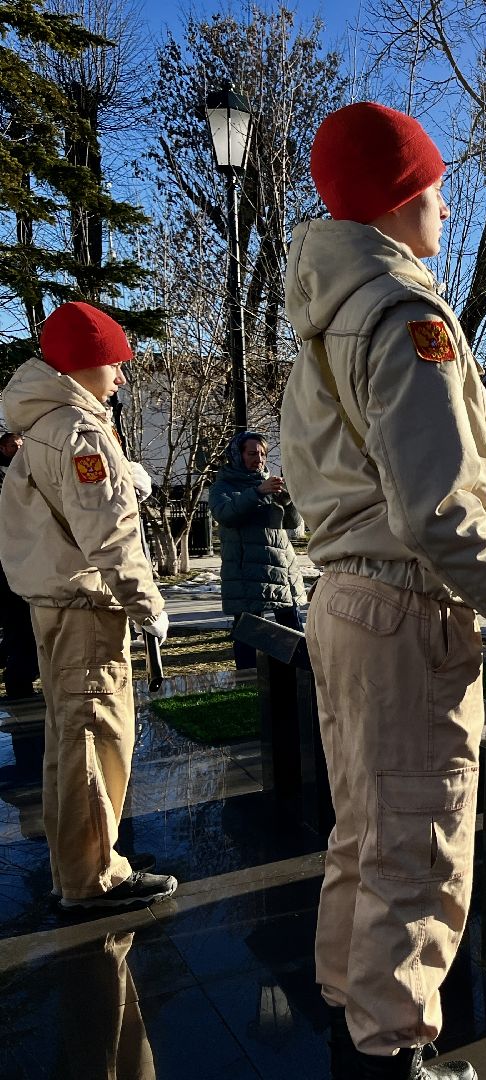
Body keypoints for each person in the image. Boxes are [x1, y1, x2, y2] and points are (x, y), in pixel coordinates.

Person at [282, 101, 486, 1079]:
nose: (445, 204)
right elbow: (439, 510)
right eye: (435, 186)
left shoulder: (329, 313)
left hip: (346, 598)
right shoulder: (406, 316)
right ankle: (392, 1049)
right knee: (421, 839)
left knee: (364, 824)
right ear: (403, 196)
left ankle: (347, 1011)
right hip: (407, 610)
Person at [0, 301, 176, 910]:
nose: (122, 375)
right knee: (94, 741)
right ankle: (93, 878)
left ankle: (84, 861)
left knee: (68, 739)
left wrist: (121, 472)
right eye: (114, 362)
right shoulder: (78, 430)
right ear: (83, 365)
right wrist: (146, 603)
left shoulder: (50, 424)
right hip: (84, 608)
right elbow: (111, 533)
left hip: (59, 603)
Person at [208, 431, 307, 669]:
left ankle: (302, 678)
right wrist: (258, 492)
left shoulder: (269, 482)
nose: (259, 459)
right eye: (252, 453)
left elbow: (293, 525)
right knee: (248, 631)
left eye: (262, 454)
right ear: (237, 455)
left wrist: (288, 501)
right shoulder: (223, 485)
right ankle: (248, 684)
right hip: (247, 572)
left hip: (281, 571)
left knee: (293, 630)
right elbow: (225, 514)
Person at [0, 431, 41, 699]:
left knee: (24, 626)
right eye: (16, 446)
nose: (21, 449)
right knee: (20, 625)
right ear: (4, 447)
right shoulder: (6, 477)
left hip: (22, 560)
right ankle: (19, 681)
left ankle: (21, 676)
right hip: (9, 565)